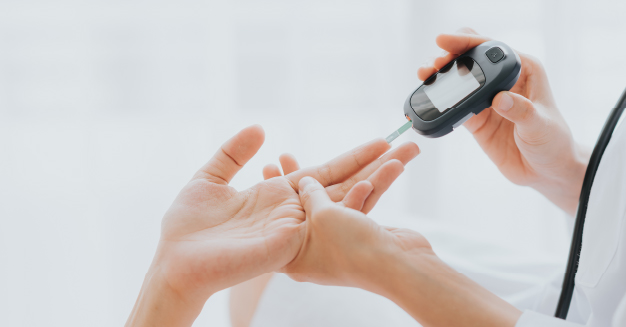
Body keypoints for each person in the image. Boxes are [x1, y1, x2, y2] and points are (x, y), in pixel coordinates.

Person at [126, 29, 626, 327]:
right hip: (566, 293)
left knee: (269, 279)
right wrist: (575, 179)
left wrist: (394, 267)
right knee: (261, 276)